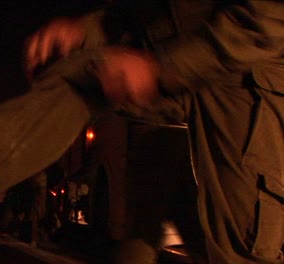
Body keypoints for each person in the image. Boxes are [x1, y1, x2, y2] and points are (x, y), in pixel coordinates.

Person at [23, 1, 284, 263]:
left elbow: (266, 18)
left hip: (239, 84)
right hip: (171, 104)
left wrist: (163, 69)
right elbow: (147, 12)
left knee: (239, 249)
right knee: (149, 235)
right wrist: (85, 30)